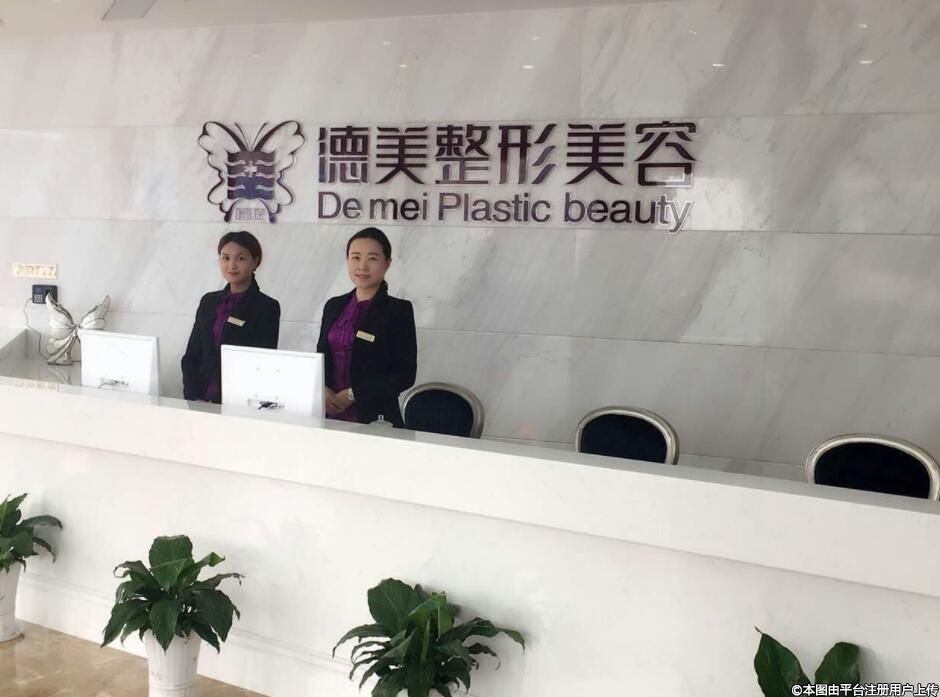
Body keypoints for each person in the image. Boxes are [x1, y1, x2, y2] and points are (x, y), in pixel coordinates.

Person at [317, 227, 417, 426]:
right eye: (355, 257)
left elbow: (404, 375)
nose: (362, 266)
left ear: (387, 263)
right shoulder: (334, 306)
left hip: (375, 417)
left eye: (372, 258)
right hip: (328, 412)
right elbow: (321, 355)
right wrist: (323, 389)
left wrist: (353, 394)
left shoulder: (398, 310)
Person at [182, 231, 280, 403]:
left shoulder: (266, 306)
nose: (231, 265)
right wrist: (194, 397)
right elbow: (192, 355)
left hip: (239, 401)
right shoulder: (208, 301)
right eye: (225, 258)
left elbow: (261, 364)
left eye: (240, 258)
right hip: (201, 399)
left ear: (255, 261)